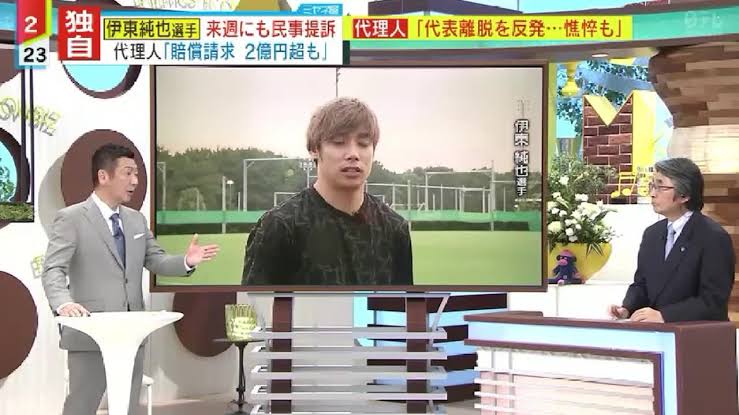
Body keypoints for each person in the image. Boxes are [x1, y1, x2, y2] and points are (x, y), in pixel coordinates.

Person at [41, 143, 219, 415]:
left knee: (128, 407)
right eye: (128, 173)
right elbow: (53, 269)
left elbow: (156, 260)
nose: (135, 181)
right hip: (90, 333)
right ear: (103, 176)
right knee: (81, 406)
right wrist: (63, 303)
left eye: (136, 174)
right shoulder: (71, 218)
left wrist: (186, 261)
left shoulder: (136, 220)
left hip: (132, 334)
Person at [241, 97, 413, 286]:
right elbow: (253, 303)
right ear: (315, 149)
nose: (353, 154)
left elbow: (403, 303)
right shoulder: (280, 226)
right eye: (339, 142)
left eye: (363, 143)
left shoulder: (394, 228)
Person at [609, 157, 735, 323]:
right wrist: (627, 308)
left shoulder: (712, 236)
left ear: (684, 195)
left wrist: (664, 316)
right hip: (657, 334)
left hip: (696, 333)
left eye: (660, 187)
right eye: (652, 186)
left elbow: (713, 300)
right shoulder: (652, 234)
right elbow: (642, 284)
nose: (652, 194)